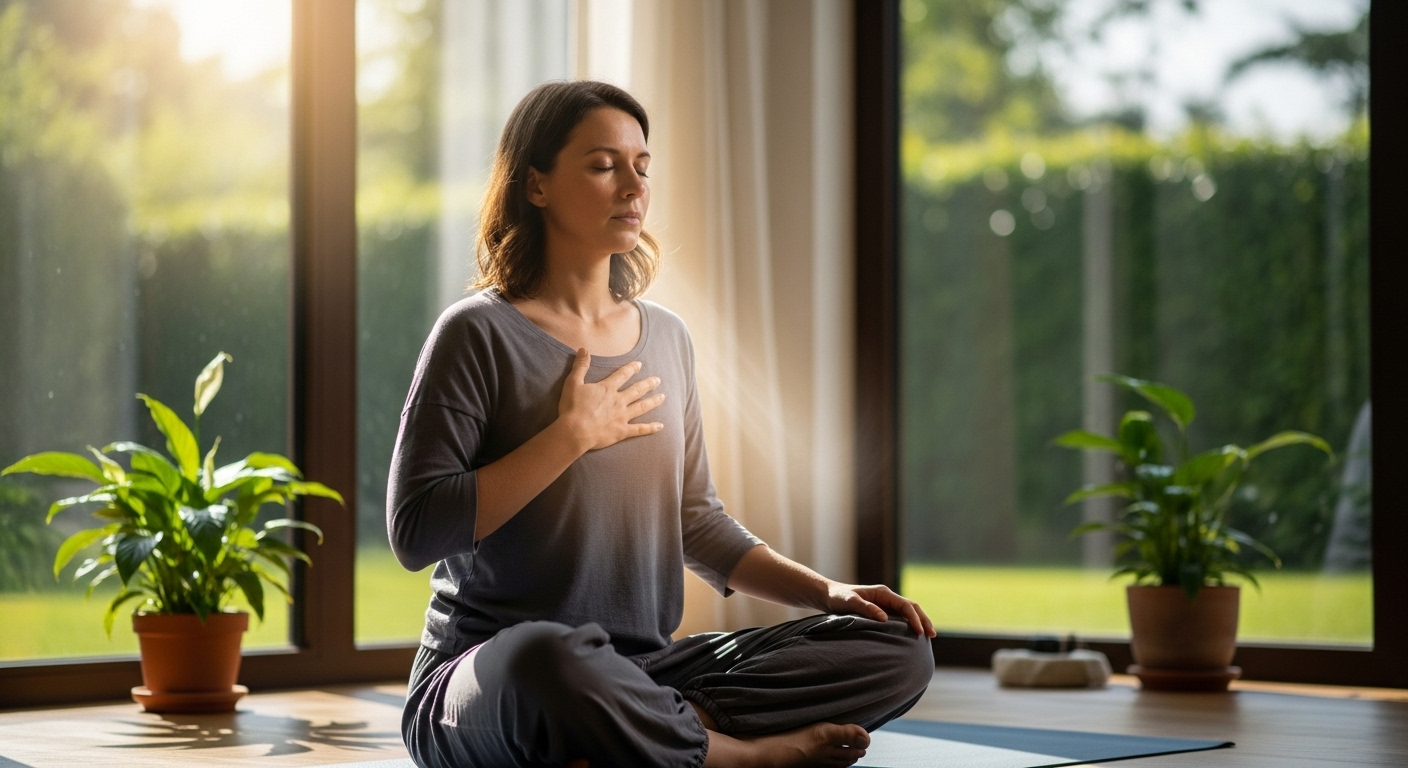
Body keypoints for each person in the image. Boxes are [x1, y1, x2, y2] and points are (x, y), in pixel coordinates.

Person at [387, 80, 936, 768]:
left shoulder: (667, 337)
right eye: (602, 165)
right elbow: (415, 532)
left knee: (899, 647)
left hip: (646, 671)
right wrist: (570, 437)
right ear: (536, 185)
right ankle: (737, 756)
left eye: (642, 166)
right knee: (546, 654)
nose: (632, 186)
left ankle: (628, 736)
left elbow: (696, 523)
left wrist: (830, 591)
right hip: (490, 677)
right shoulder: (476, 332)